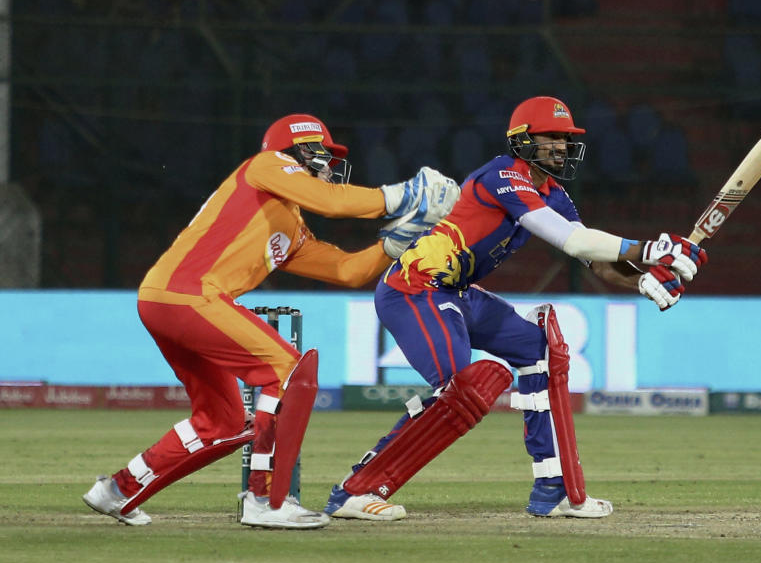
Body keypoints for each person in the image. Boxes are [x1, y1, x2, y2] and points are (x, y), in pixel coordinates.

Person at [321, 96, 707, 521]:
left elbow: (598, 262)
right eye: (551, 137)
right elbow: (574, 241)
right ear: (521, 140)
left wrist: (645, 277)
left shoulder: (553, 193)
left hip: (458, 293)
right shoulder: (501, 176)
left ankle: (552, 488)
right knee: (459, 390)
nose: (561, 146)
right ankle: (356, 489)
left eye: (566, 138)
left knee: (538, 350)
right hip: (415, 288)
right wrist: (654, 248)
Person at [82, 113, 459, 528]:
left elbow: (346, 271)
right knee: (288, 371)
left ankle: (116, 489)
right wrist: (404, 195)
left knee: (221, 421)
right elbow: (334, 203)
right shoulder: (265, 166)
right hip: (189, 295)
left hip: (169, 299)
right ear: (297, 150)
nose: (330, 166)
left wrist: (399, 240)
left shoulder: (290, 222)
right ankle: (265, 500)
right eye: (323, 154)